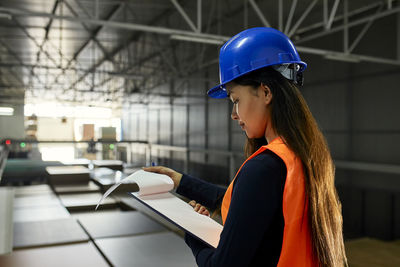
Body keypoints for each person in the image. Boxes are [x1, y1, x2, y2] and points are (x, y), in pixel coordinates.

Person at [144, 27, 347, 267]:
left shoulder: (264, 167)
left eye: (236, 100)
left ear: (266, 92)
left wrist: (192, 231)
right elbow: (246, 204)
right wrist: (180, 181)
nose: (233, 114)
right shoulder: (304, 156)